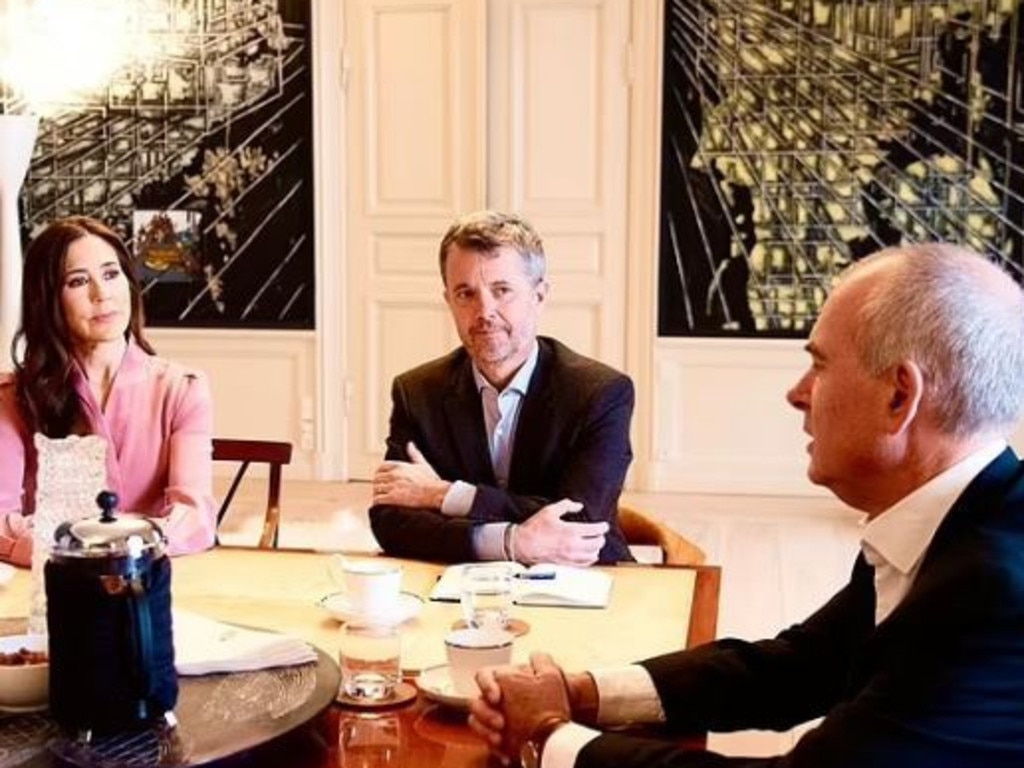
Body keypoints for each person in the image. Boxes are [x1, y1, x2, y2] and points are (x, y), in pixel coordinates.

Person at [470, 243, 1024, 767]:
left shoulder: (990, 592)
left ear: (900, 396)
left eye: (821, 365)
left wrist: (547, 737)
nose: (798, 392)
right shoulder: (962, 521)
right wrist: (581, 693)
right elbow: (803, 666)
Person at [368, 210, 634, 565]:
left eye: (502, 290)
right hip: (464, 589)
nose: (484, 311)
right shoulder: (417, 392)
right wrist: (511, 542)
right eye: (466, 293)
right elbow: (390, 521)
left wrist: (444, 496)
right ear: (449, 300)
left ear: (539, 295)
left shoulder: (600, 393)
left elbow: (578, 523)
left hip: (583, 580)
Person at [0, 216, 217, 566]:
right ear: (47, 300)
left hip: (147, 584)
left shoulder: (182, 390)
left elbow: (195, 519)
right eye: (78, 281)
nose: (102, 294)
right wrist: (83, 552)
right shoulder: (11, 397)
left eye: (111, 274)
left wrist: (114, 547)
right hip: (51, 590)